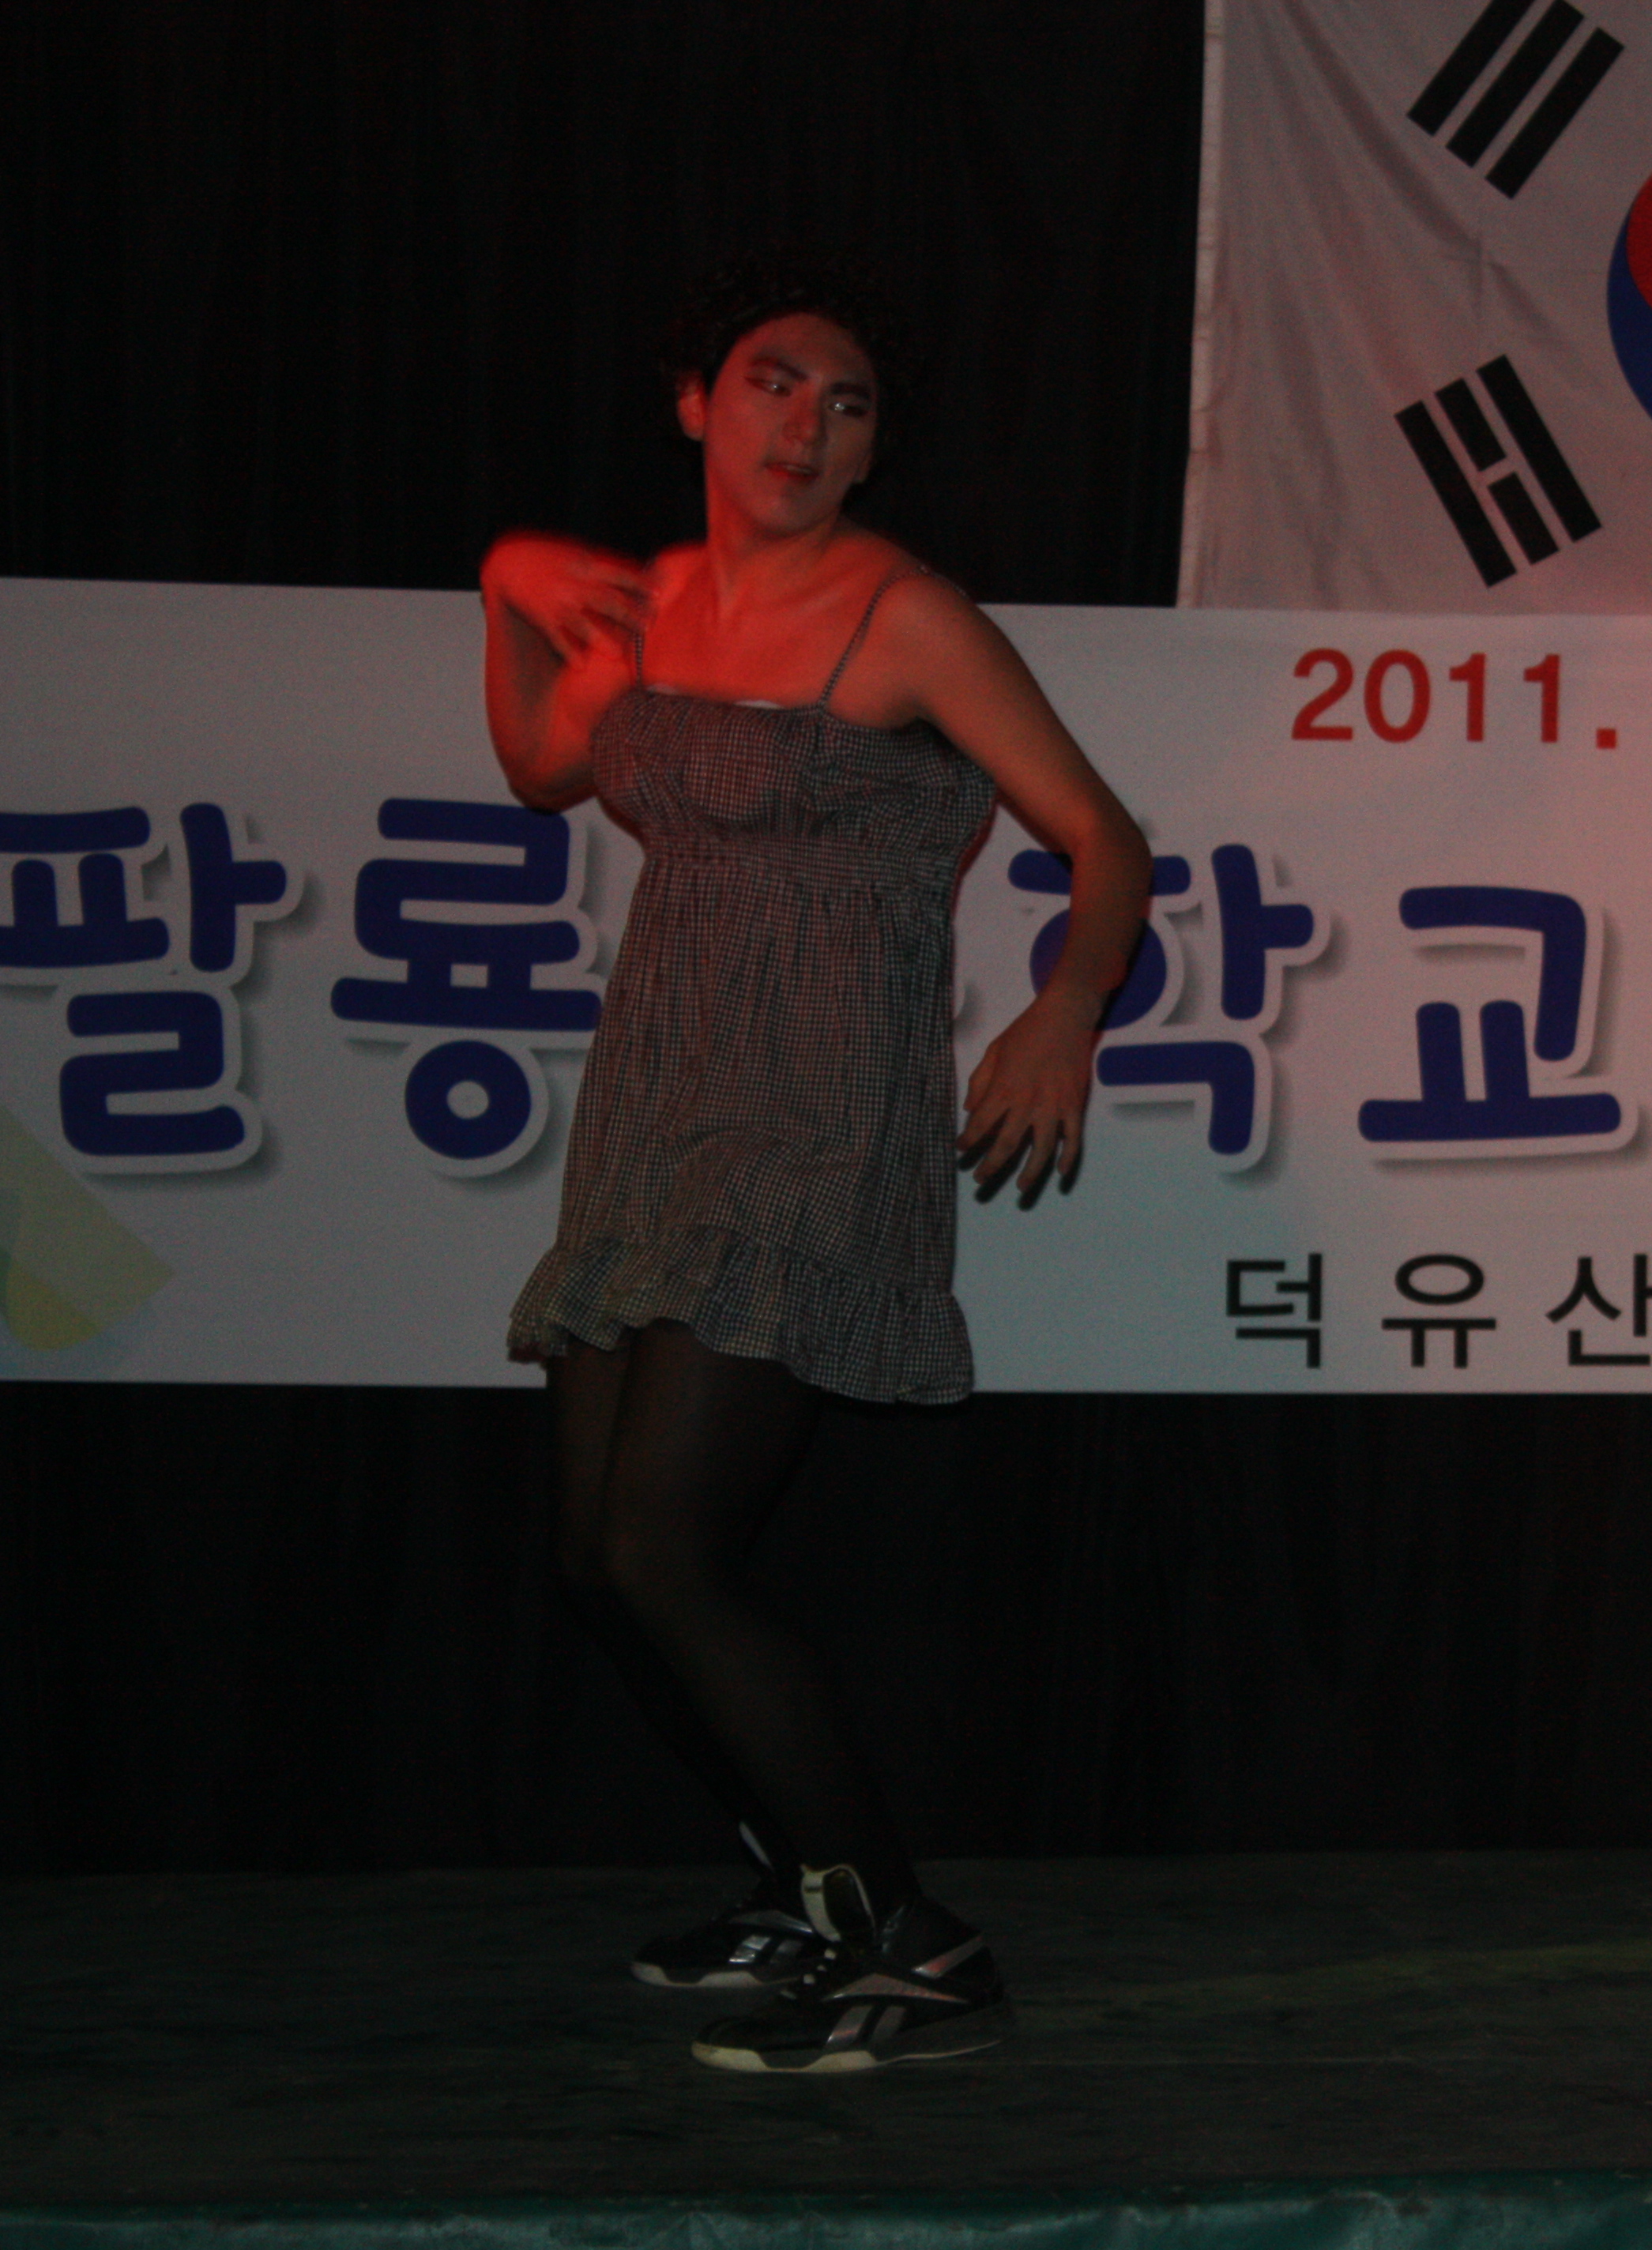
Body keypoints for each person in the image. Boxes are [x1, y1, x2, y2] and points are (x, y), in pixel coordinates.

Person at [478, 256, 1151, 2071]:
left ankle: (915, 1942)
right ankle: (806, 1891)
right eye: (775, 381)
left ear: (867, 453)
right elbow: (542, 762)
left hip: (814, 1101)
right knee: (594, 1558)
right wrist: (504, 582)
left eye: (847, 403)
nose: (807, 422)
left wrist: (1067, 1008)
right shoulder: (648, 604)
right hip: (656, 1098)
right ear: (699, 404)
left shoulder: (905, 615)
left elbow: (1105, 836)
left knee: (664, 1542)